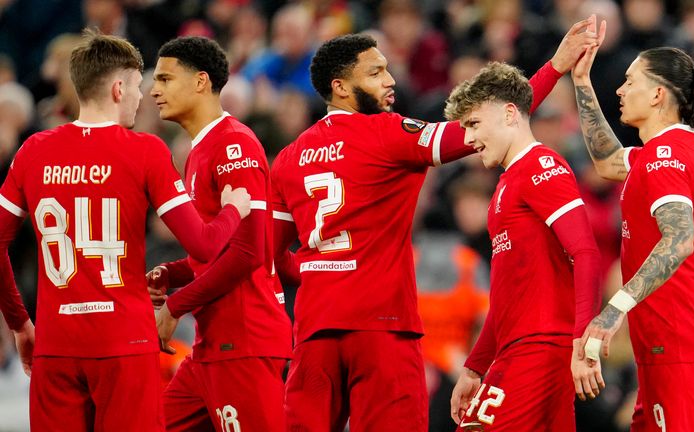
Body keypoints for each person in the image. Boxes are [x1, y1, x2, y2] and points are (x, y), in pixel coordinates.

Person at [271, 19, 601, 431]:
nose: (390, 80)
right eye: (375, 73)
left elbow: (272, 252)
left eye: (388, 68)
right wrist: (555, 66)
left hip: (315, 330)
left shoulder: (287, 159)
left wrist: (317, 272)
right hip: (382, 328)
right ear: (340, 86)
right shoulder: (388, 134)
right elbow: (481, 126)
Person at [0, 30, 252, 431]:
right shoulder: (145, 150)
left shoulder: (33, 150)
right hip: (124, 346)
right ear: (118, 88)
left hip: (57, 345)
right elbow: (204, 245)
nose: (144, 96)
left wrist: (20, 323)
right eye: (138, 86)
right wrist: (234, 210)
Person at [573, 45, 694, 431]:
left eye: (630, 81)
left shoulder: (664, 156)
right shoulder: (666, 152)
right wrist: (580, 81)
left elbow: (679, 240)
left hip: (679, 339)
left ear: (658, 94)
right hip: (667, 339)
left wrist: (613, 311)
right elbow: (608, 161)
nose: (620, 91)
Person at [443, 61, 604, 430]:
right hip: (519, 349)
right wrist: (474, 366)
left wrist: (583, 344)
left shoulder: (542, 165)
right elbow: (506, 297)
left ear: (510, 114)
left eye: (474, 124)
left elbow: (587, 255)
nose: (468, 139)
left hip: (540, 349)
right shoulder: (505, 184)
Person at [148, 36, 293, 431]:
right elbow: (216, 249)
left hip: (244, 342)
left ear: (200, 81)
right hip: (212, 346)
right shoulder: (199, 150)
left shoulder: (234, 146)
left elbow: (248, 253)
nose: (153, 89)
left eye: (164, 78)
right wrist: (172, 273)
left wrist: (176, 307)